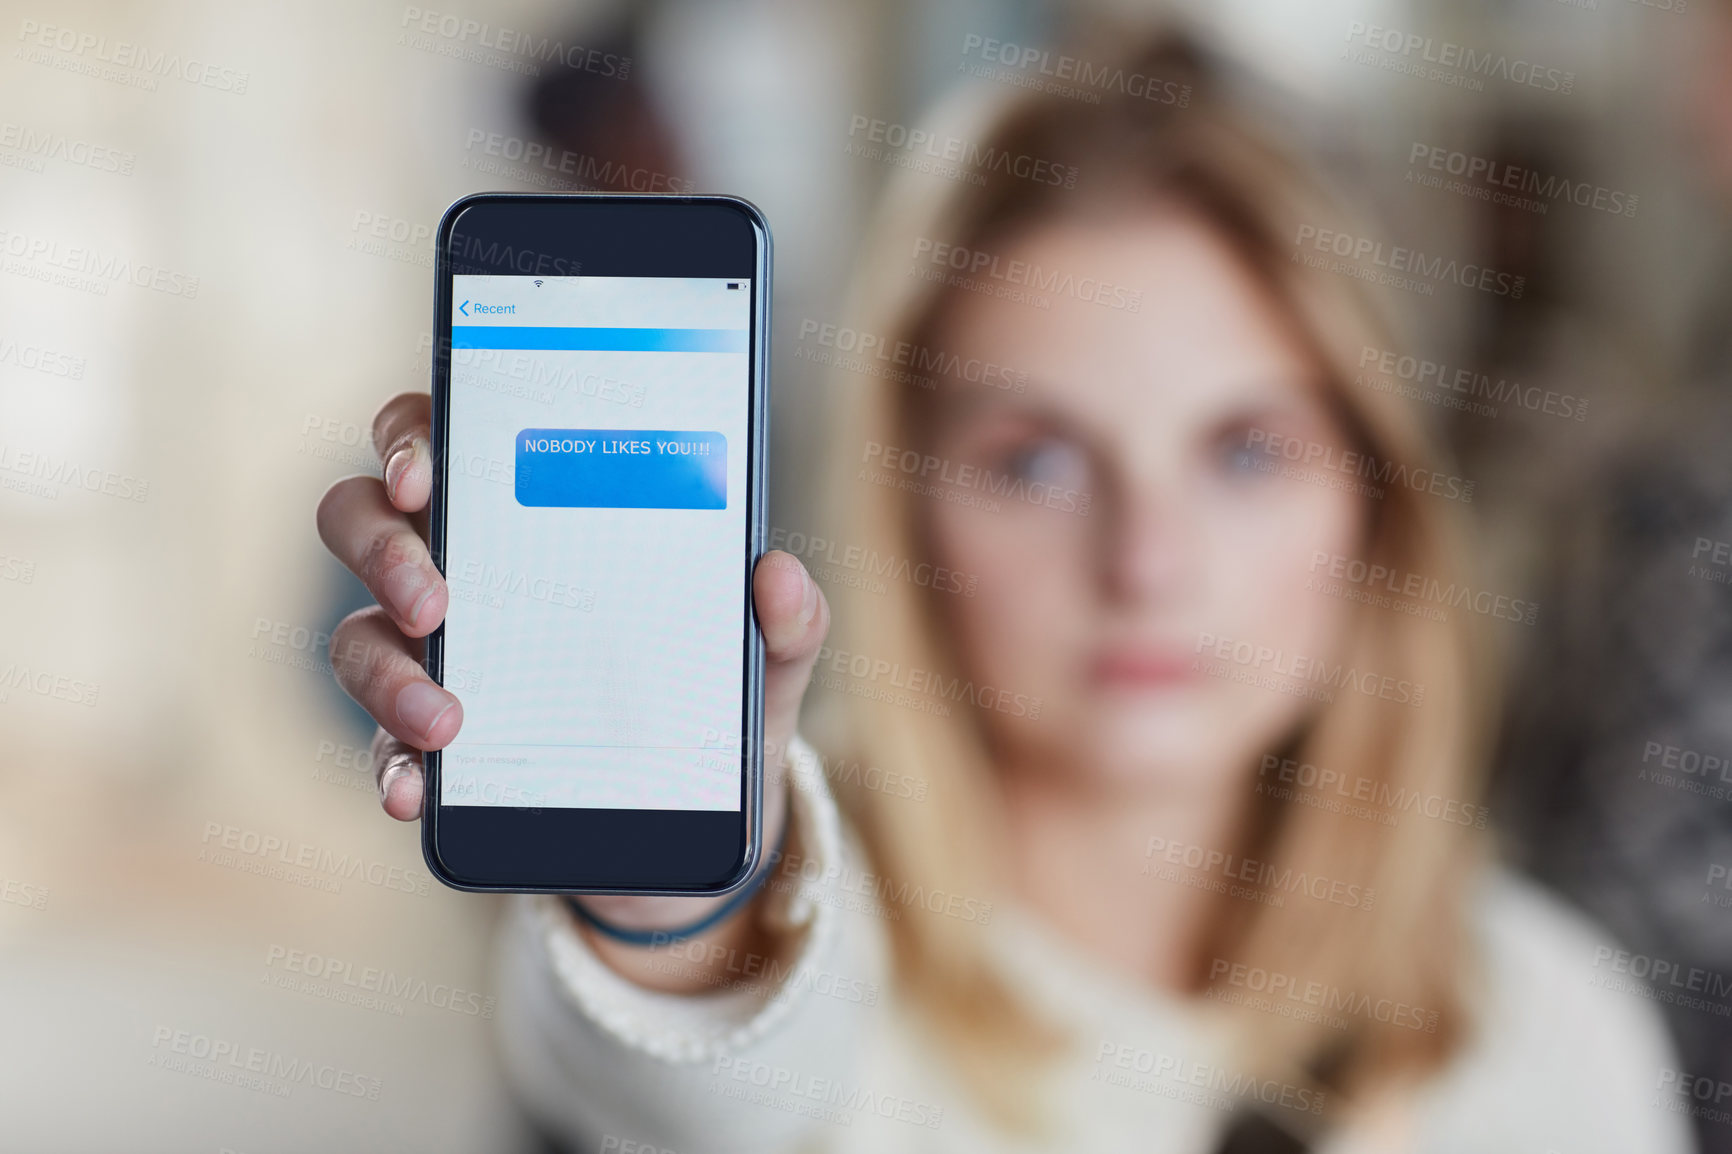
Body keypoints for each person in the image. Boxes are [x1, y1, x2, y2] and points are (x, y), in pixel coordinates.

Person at [315, 34, 1689, 1154]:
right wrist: (670, 914)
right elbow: (681, 1074)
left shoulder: (1550, 1025)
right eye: (1033, 459)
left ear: (1373, 497)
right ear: (903, 503)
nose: (1145, 559)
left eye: (1246, 450)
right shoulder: (789, 953)